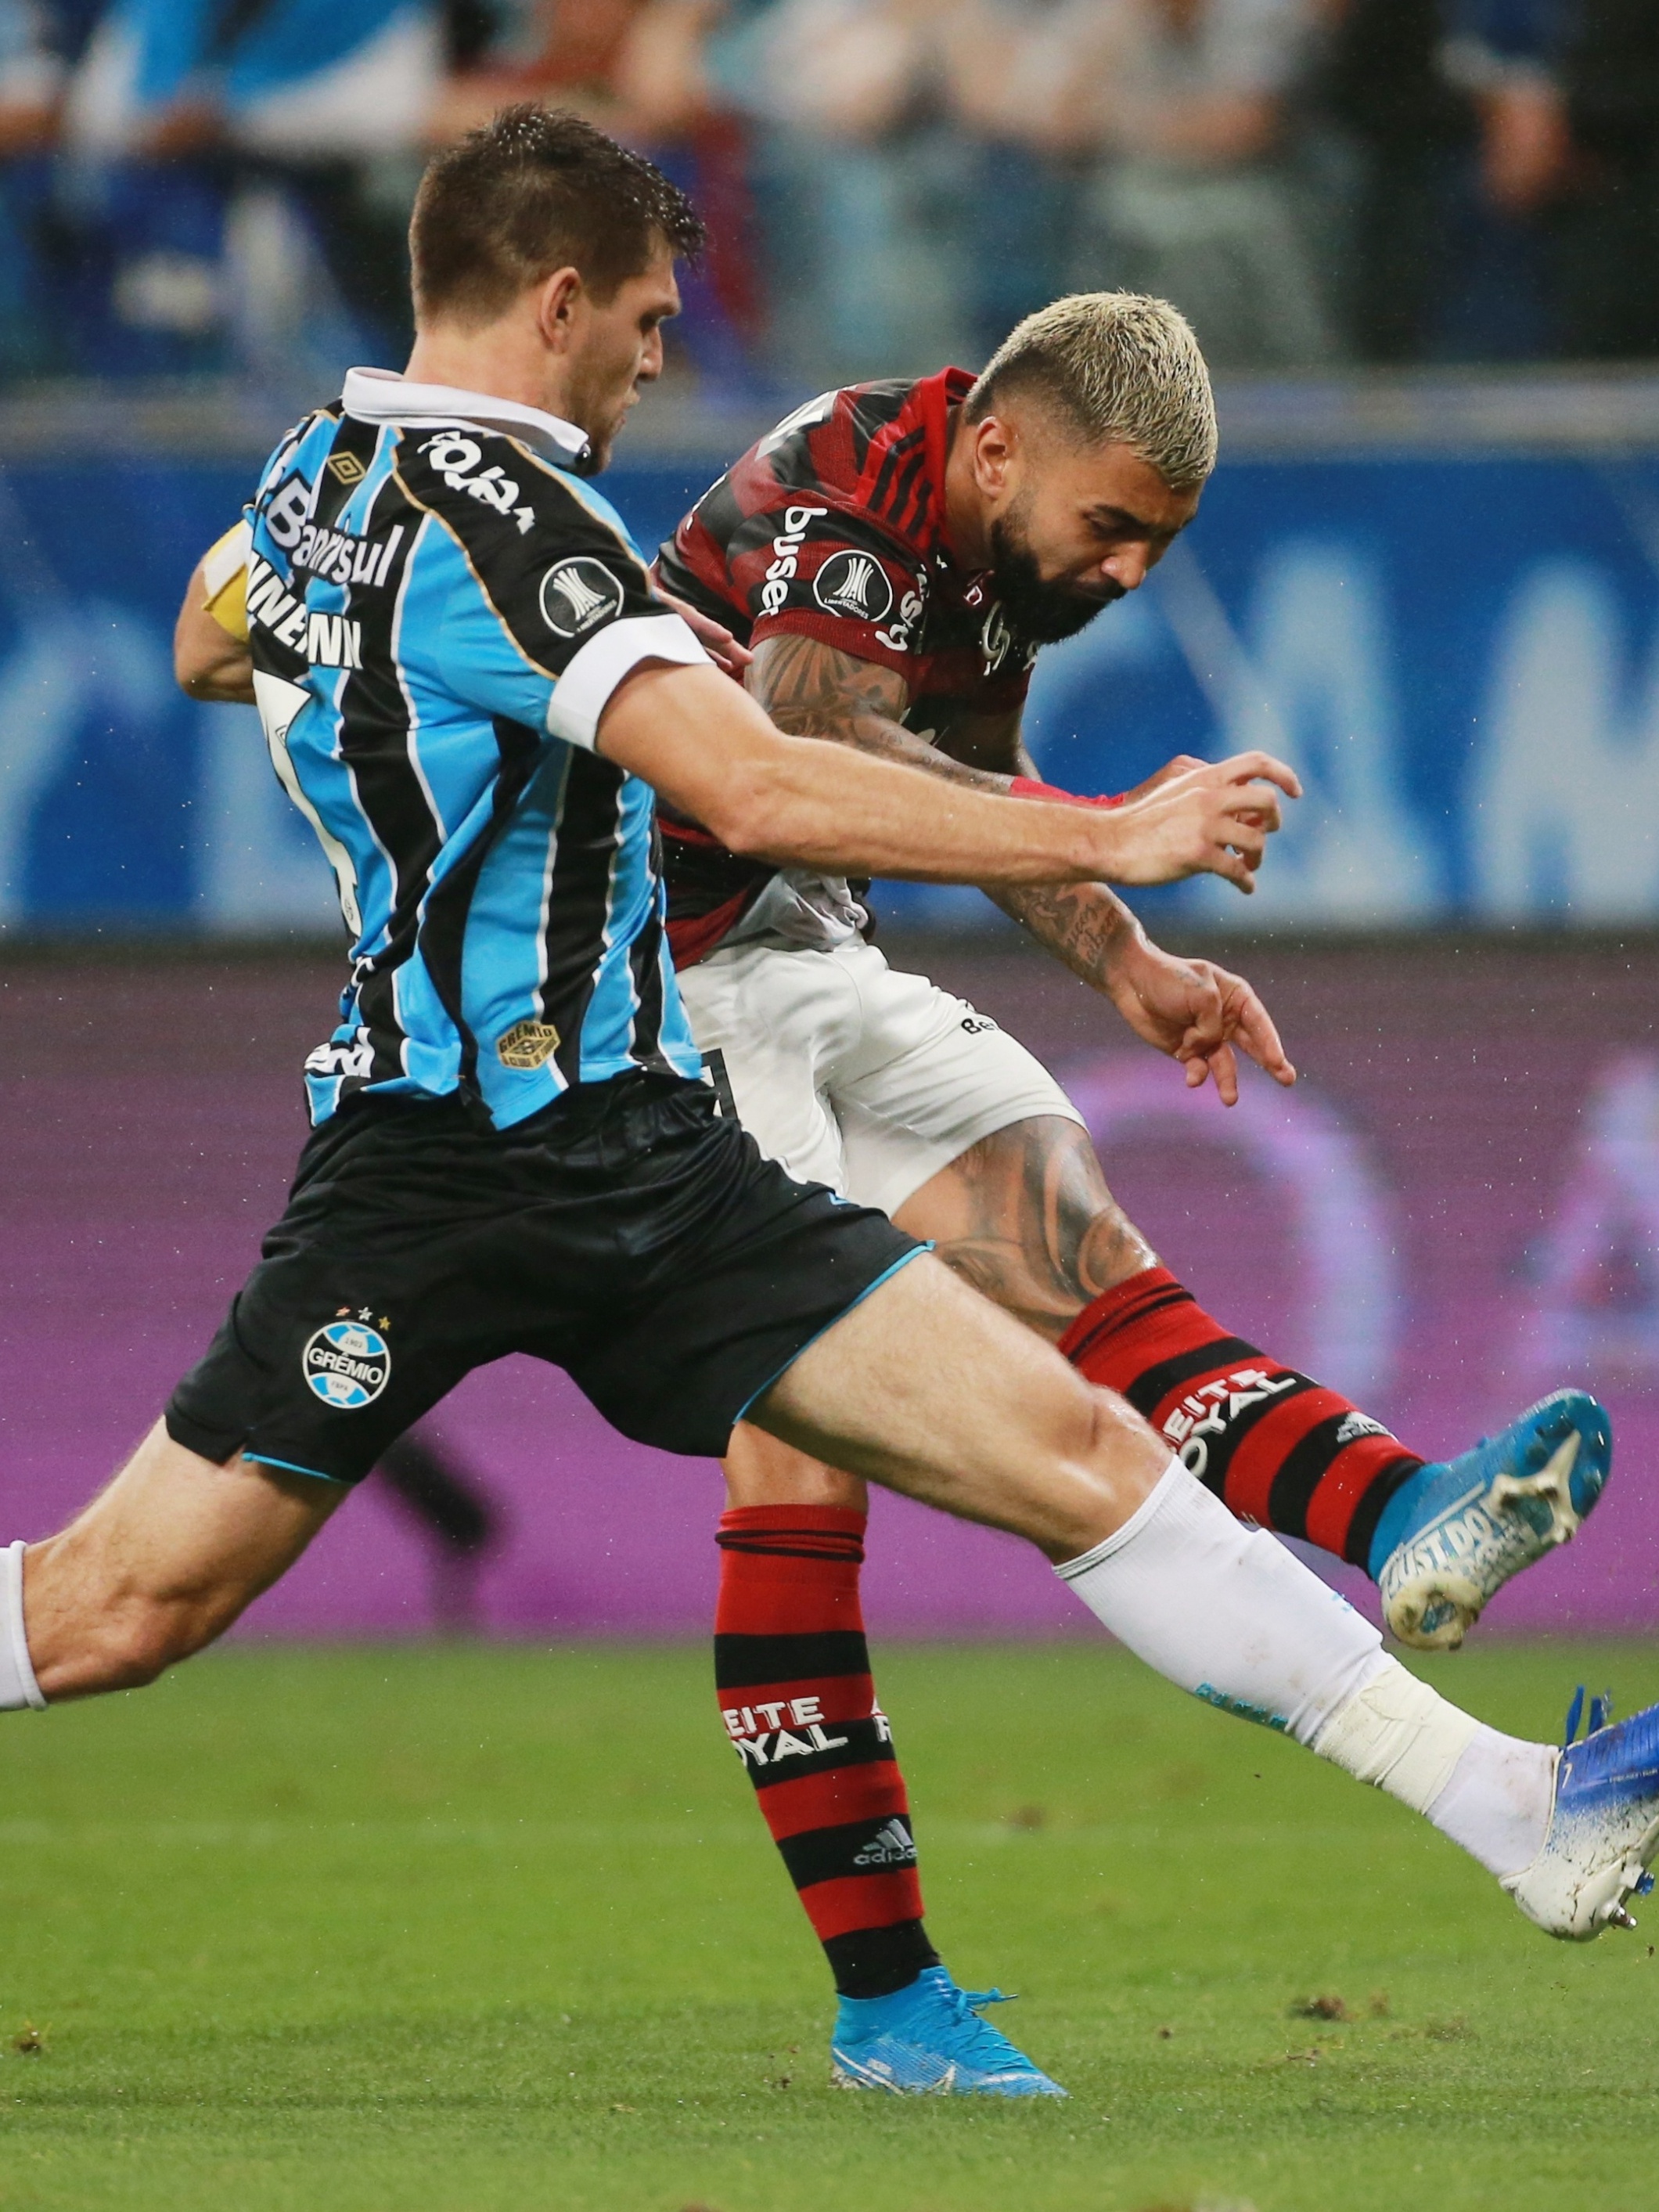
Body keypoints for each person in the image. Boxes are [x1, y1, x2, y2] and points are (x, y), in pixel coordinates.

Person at [141, 107, 1657, 2106]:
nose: (1121, 573)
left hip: (795, 957)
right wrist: (1119, 833)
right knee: (790, 1483)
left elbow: (948, 782)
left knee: (1065, 1252)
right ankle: (891, 1992)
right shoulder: (786, 492)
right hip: (641, 1015)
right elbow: (784, 746)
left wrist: (1121, 957)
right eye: (1111, 532)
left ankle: (1407, 1546)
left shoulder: (952, 546)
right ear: (1002, 446)